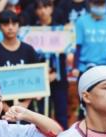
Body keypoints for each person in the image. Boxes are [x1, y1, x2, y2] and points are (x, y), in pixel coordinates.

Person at [33, 0, 71, 129]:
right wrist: (43, 74)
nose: (43, 11)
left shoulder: (60, 30)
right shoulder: (31, 31)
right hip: (40, 79)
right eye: (39, 8)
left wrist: (55, 72)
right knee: (43, 115)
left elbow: (66, 53)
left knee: (61, 114)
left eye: (46, 7)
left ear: (52, 8)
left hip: (59, 78)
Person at [73, 0, 106, 75]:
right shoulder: (81, 21)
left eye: (101, 4)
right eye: (96, 4)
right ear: (90, 4)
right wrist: (75, 67)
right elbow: (78, 45)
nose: (99, 7)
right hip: (85, 67)